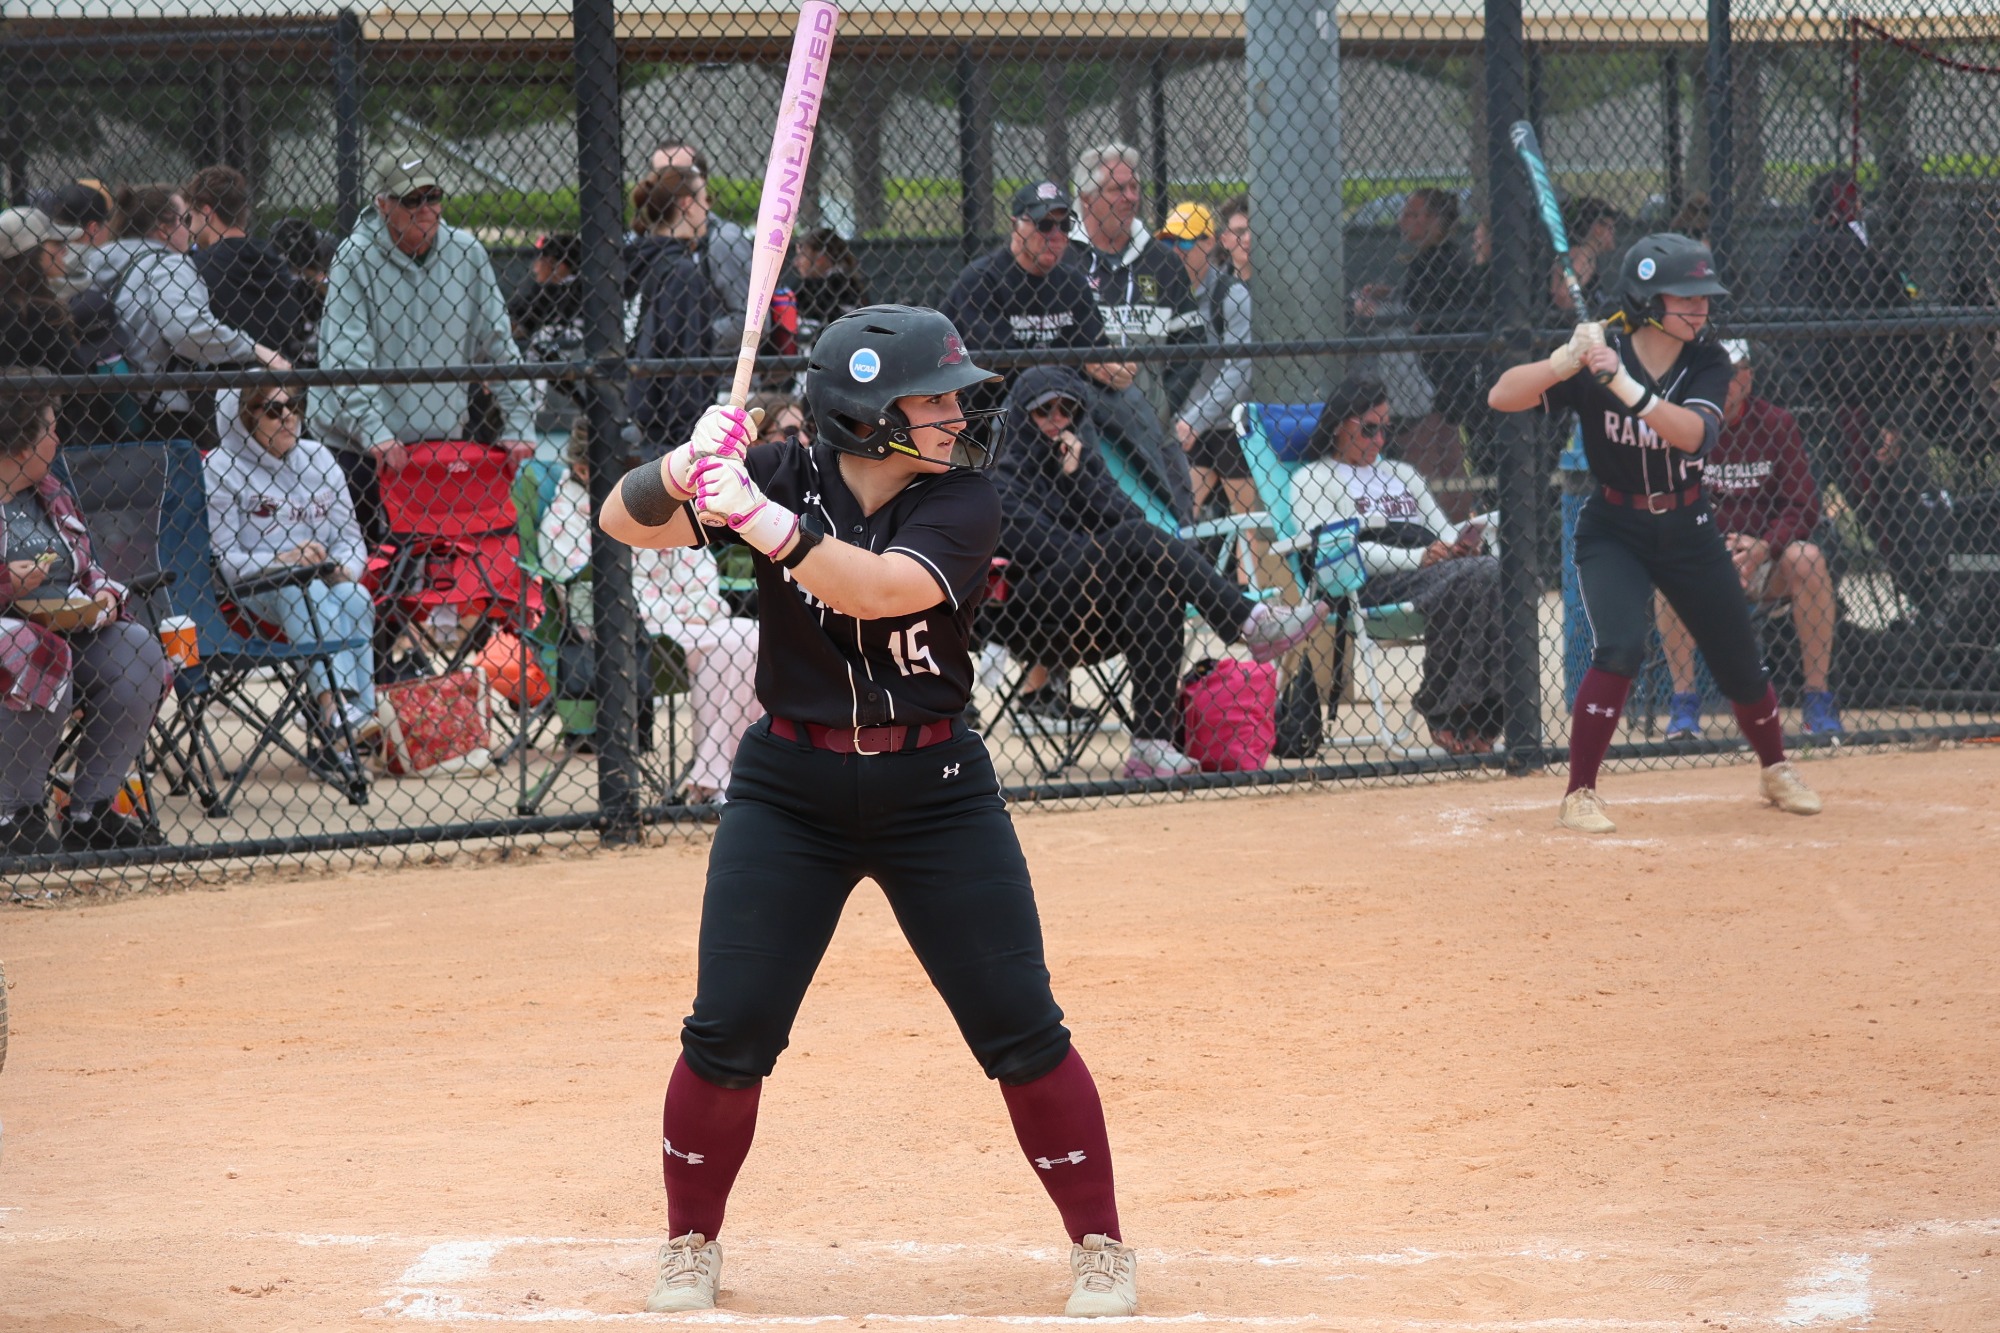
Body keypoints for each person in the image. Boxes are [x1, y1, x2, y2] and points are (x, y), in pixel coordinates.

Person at [598, 305, 1141, 1318]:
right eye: (929, 398)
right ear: (862, 415)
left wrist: (760, 524)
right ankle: (687, 1242)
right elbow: (619, 522)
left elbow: (880, 590)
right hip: (786, 790)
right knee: (729, 1030)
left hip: (933, 791)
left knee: (1019, 1026)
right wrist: (680, 473)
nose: (952, 413)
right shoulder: (777, 474)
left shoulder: (964, 500)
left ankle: (1100, 1243)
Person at [1487, 233, 1824, 832]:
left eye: (1705, 298)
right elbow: (1502, 396)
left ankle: (1775, 768)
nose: (1700, 309)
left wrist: (1624, 385)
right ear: (1646, 300)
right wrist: (1564, 361)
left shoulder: (1709, 361)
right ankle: (1579, 793)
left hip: (1690, 528)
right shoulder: (1599, 354)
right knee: (1619, 646)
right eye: (1685, 298)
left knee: (1740, 665)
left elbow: (1692, 434)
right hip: (1613, 527)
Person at [990, 365, 1329, 776]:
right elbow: (1046, 549)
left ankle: (1151, 743)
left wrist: (1081, 480)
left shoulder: (1080, 466)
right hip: (1036, 617)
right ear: (1023, 417)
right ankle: (1248, 621)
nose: (1057, 421)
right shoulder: (1001, 481)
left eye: (1067, 411)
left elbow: (1128, 516)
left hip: (1097, 614)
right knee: (1134, 542)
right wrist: (1109, 545)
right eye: (1045, 412)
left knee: (1157, 587)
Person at [312, 150, 534, 541]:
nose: (426, 209)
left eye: (433, 197)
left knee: (442, 576)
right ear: (382, 204)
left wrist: (520, 421)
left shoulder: (466, 252)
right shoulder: (354, 257)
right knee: (369, 568)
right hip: (359, 447)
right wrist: (375, 430)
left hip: (435, 449)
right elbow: (348, 355)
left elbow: (497, 344)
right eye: (412, 200)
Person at [536, 428, 760, 804]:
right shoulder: (564, 517)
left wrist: (674, 606)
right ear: (582, 469)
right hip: (626, 636)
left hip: (689, 623)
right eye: (621, 465)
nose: (633, 472)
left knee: (748, 637)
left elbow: (704, 582)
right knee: (725, 636)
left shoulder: (652, 498)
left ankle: (719, 780)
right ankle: (713, 781)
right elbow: (590, 602)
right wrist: (677, 607)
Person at [0, 376, 170, 853]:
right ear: (20, 442)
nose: (58, 439)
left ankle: (89, 811)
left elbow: (87, 567)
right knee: (37, 649)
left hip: (61, 626)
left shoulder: (48, 493)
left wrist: (105, 597)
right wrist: (8, 583)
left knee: (137, 649)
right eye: (50, 429)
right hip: (17, 636)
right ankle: (15, 813)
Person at [1290, 379, 1505, 754]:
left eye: (1384, 428)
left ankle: (1474, 708)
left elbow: (1442, 532)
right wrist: (1416, 558)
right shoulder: (1313, 479)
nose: (1378, 440)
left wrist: (1462, 546)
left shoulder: (1401, 473)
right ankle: (1452, 707)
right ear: (1340, 425)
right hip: (1370, 582)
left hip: (1434, 571)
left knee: (1497, 572)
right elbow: (1335, 549)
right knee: (1481, 576)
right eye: (1368, 428)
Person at [1655, 339, 1844, 740]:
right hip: (1706, 559)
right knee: (1669, 567)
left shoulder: (1777, 424)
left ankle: (1818, 700)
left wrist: (1764, 546)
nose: (1728, 379)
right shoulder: (1684, 426)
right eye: (1719, 369)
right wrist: (1711, 544)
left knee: (1808, 558)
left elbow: (1804, 506)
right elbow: (1666, 501)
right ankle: (1685, 705)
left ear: (1749, 377)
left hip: (1766, 561)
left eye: (1737, 369)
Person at [205, 384, 378, 758]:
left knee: (356, 595)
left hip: (327, 584)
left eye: (294, 405)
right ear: (244, 419)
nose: (288, 416)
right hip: (253, 593)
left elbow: (351, 537)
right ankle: (335, 711)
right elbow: (223, 560)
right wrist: (282, 560)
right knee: (302, 590)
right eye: (272, 410)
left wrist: (345, 569)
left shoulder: (319, 458)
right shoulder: (220, 468)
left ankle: (362, 714)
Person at [88, 183, 292, 445]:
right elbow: (188, 331)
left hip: (108, 405)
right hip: (160, 413)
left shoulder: (97, 263)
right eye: (184, 219)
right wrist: (253, 349)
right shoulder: (169, 264)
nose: (190, 228)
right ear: (164, 229)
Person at [1066, 143, 1198, 523]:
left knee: (1178, 528)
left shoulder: (1163, 262)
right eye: (1117, 190)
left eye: (1134, 188)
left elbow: (1191, 344)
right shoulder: (1062, 258)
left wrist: (1160, 405)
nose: (1131, 198)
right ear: (1087, 199)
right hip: (1082, 430)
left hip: (1153, 431)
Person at [1161, 202, 1255, 520]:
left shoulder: (1231, 295)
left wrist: (1195, 420)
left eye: (1186, 241)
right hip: (1183, 427)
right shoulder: (1162, 294)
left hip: (1229, 427)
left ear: (1209, 242)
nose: (1178, 250)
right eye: (1170, 242)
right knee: (1178, 519)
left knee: (1250, 529)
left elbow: (1240, 368)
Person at [626, 168, 721, 461]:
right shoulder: (681, 271)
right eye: (706, 198)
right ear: (686, 204)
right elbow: (687, 356)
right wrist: (693, 439)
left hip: (639, 418)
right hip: (673, 437)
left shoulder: (637, 262)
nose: (709, 208)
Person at [186, 164, 310, 362]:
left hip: (221, 384)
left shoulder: (194, 268)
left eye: (190, 217)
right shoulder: (276, 262)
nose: (188, 227)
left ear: (207, 212)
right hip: (282, 377)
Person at [643, 139, 753, 358]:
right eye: (660, 175)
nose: (667, 182)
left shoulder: (723, 240)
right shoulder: (649, 242)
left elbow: (750, 322)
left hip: (719, 382)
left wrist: (686, 339)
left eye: (679, 174)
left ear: (700, 181)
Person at [509, 231, 587, 447]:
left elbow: (514, 326)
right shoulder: (588, 289)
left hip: (553, 399)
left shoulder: (549, 292)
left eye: (541, 260)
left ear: (559, 265)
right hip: (572, 394)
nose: (535, 267)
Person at [1549, 196, 1623, 317]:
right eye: (1610, 228)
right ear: (1598, 229)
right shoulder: (1583, 256)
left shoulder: (1588, 255)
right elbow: (1562, 294)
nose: (1613, 232)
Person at [790, 226, 867, 335]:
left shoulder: (833, 286)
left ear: (820, 258)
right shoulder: (851, 282)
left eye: (801, 256)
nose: (796, 263)